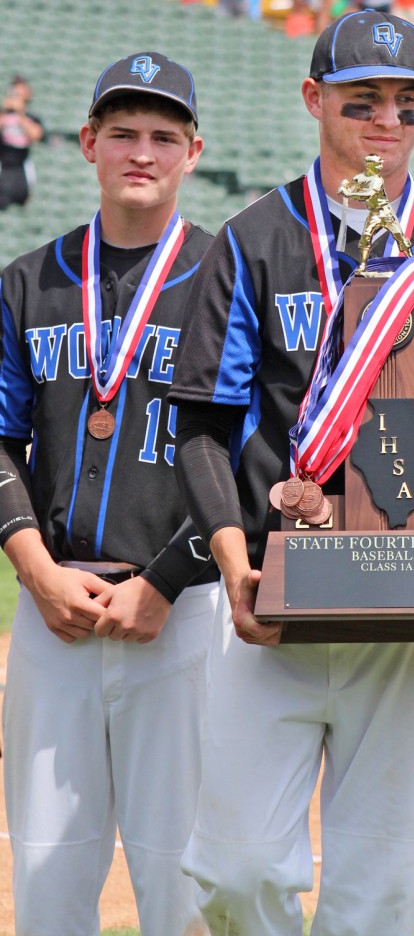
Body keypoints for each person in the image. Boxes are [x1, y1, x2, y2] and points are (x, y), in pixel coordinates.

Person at [168, 8, 414, 934]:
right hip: (273, 602)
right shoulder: (249, 242)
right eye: (364, 101)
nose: (387, 123)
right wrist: (237, 566)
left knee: (376, 889)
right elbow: (201, 430)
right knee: (234, 872)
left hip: (411, 616)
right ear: (314, 99)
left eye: (408, 105)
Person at [0, 52, 219, 935]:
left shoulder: (225, 281)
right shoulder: (28, 281)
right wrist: (35, 570)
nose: (143, 151)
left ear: (193, 152)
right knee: (48, 880)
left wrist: (164, 581)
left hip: (183, 609)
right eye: (122, 132)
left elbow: (253, 459)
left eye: (164, 136)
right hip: (52, 609)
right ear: (87, 143)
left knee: (183, 882)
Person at [0, 75, 44, 209]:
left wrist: (19, 113)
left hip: (21, 167)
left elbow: (36, 134)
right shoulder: (2, 114)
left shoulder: (31, 118)